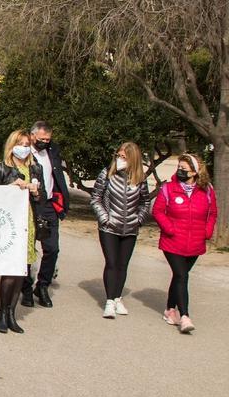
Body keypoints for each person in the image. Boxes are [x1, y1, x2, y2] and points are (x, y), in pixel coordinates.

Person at [0, 130, 46, 334]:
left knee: (22, 269)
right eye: (20, 143)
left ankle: (12, 312)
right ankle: (2, 312)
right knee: (10, 269)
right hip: (8, 223)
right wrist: (11, 187)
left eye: (27, 144)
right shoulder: (3, 168)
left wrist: (36, 192)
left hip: (29, 220)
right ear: (12, 146)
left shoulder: (35, 168)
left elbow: (43, 196)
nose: (24, 147)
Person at [152, 153, 215, 334]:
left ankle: (170, 309)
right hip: (172, 242)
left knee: (180, 276)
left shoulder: (207, 190)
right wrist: (169, 228)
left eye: (184, 169)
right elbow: (158, 211)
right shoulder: (169, 188)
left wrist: (207, 231)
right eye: (178, 168)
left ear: (195, 172)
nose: (179, 171)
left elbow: (213, 213)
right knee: (182, 276)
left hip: (195, 242)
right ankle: (185, 316)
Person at [90, 142, 152, 319]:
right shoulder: (107, 174)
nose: (120, 159)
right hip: (109, 227)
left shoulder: (140, 178)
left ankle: (117, 297)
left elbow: (145, 202)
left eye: (124, 157)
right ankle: (109, 301)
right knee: (111, 262)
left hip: (130, 228)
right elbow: (96, 198)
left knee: (123, 265)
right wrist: (105, 218)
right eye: (118, 156)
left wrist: (139, 220)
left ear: (133, 159)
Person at [24, 121, 69, 308]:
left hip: (49, 204)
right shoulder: (23, 151)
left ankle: (42, 285)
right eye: (41, 139)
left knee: (52, 248)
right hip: (29, 203)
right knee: (27, 248)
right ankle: (25, 287)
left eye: (47, 139)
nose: (44, 142)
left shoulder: (52, 151)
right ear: (33, 136)